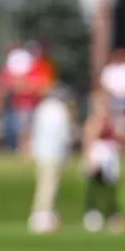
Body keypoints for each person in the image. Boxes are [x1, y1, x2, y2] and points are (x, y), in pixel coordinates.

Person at [27, 82, 73, 234]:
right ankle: (42, 219)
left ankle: (42, 216)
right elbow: (64, 134)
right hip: (54, 153)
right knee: (49, 186)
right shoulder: (60, 110)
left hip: (40, 153)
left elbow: (34, 131)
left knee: (43, 185)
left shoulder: (42, 108)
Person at [81, 94, 125, 233]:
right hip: (97, 155)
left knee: (110, 187)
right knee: (94, 184)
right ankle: (93, 212)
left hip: (110, 156)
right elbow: (89, 139)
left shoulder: (116, 122)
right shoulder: (93, 121)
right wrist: (88, 159)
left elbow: (122, 139)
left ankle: (112, 213)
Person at [99, 48, 125, 143]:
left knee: (123, 127)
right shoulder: (109, 69)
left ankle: (123, 146)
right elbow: (103, 86)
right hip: (110, 101)